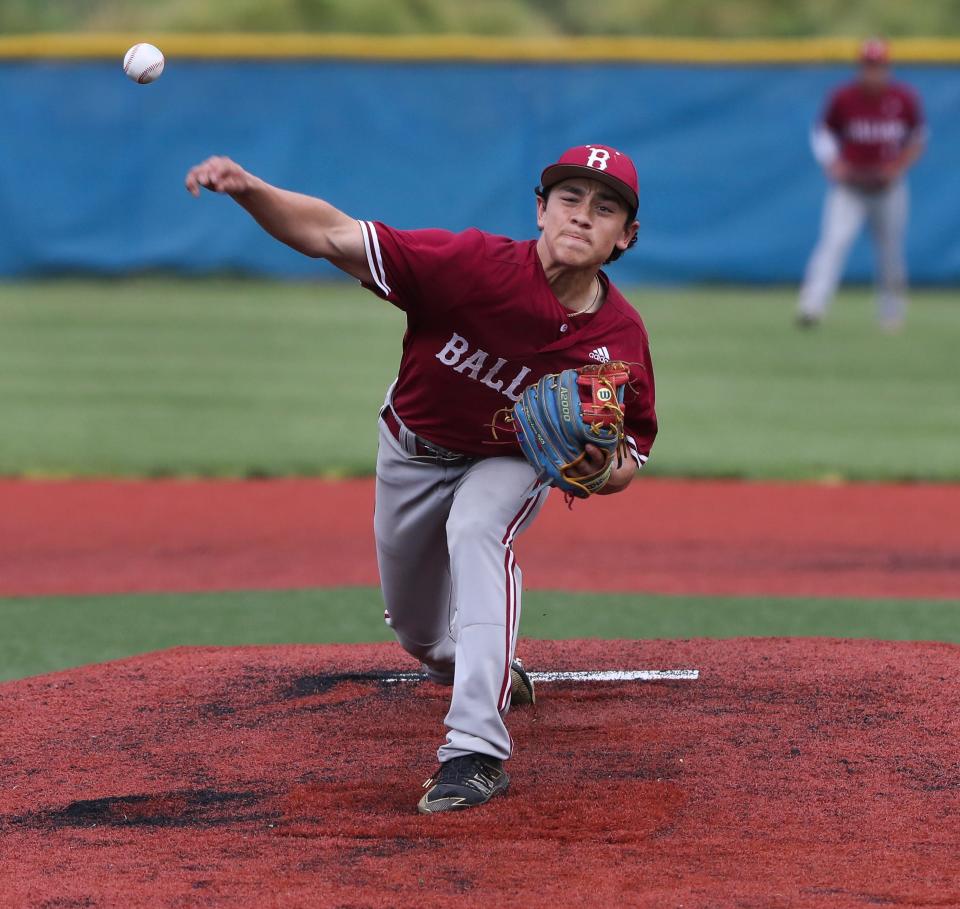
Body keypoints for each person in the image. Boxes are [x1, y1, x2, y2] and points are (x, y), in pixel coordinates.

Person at [184, 144, 658, 814]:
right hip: (412, 448)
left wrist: (601, 470)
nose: (583, 217)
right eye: (570, 200)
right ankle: (476, 664)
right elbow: (329, 233)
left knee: (477, 529)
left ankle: (475, 751)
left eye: (605, 208)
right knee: (420, 633)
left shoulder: (622, 338)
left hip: (510, 457)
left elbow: (630, 454)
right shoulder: (470, 266)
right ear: (541, 210)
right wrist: (247, 188)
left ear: (625, 237)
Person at [797, 38, 926, 331]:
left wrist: (897, 167)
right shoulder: (844, 98)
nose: (873, 71)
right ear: (860, 67)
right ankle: (811, 307)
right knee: (833, 243)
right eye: (868, 65)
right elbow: (822, 133)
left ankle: (892, 313)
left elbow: (918, 139)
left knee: (890, 252)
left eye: (878, 65)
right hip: (850, 187)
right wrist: (833, 163)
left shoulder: (903, 99)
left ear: (887, 67)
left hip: (888, 187)